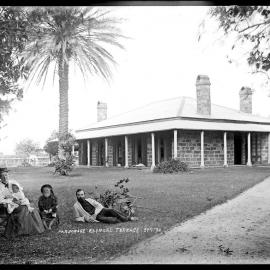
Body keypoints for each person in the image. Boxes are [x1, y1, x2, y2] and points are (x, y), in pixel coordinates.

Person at [0, 167, 45, 239]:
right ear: (0, 177)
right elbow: (1, 200)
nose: (5, 177)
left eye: (6, 175)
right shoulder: (0, 186)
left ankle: (34, 228)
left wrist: (21, 198)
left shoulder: (12, 182)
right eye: (3, 176)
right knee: (24, 208)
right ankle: (21, 231)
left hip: (18, 200)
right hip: (9, 205)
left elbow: (20, 191)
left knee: (30, 206)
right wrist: (13, 201)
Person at [73, 189, 138, 224]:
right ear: (76, 196)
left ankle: (127, 219)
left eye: (82, 195)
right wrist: (84, 219)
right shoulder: (76, 206)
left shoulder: (89, 200)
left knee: (111, 210)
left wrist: (95, 214)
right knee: (113, 220)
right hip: (95, 217)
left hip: (99, 211)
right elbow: (76, 218)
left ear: (84, 195)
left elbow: (99, 205)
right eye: (79, 195)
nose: (80, 196)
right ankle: (122, 219)